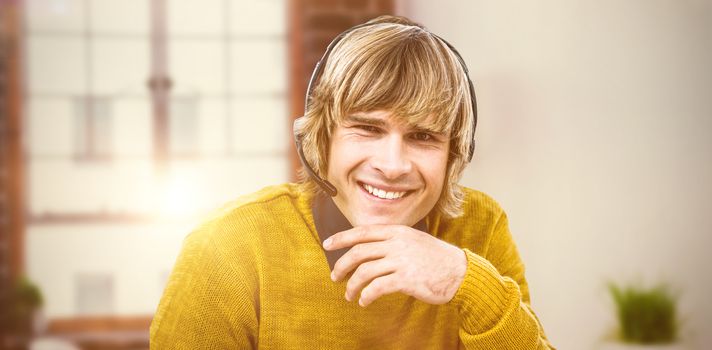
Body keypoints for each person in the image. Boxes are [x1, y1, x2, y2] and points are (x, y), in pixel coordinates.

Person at [150, 15, 554, 349]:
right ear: (322, 137)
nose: (393, 165)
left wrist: (465, 280)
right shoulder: (227, 246)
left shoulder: (479, 227)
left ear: (454, 155)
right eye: (367, 129)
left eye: (423, 136)